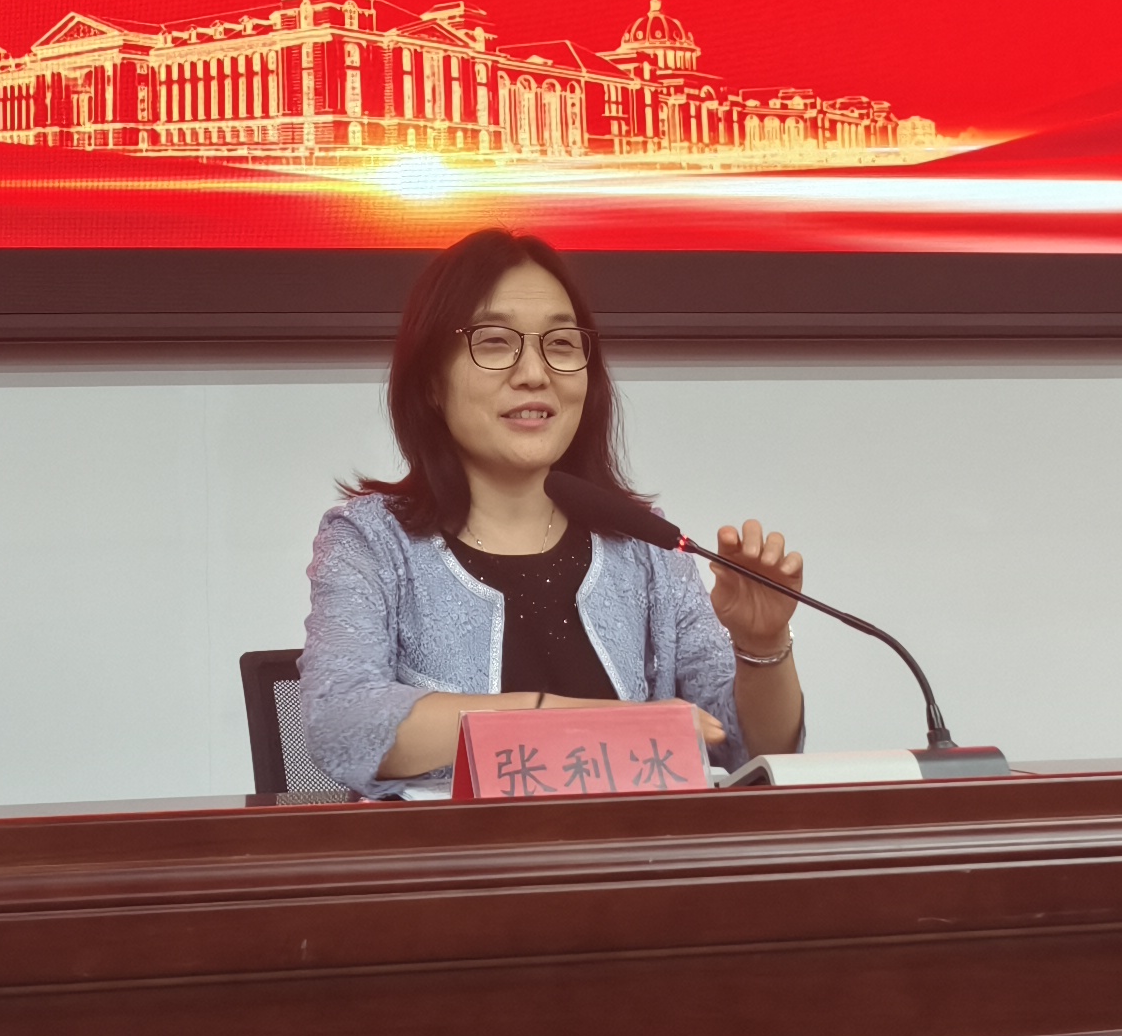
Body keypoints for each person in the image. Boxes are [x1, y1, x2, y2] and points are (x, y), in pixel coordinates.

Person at [297, 227, 809, 797]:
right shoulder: (372, 539)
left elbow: (746, 754)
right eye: (495, 342)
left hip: (633, 852)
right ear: (432, 382)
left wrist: (763, 648)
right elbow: (340, 721)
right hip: (449, 855)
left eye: (561, 344)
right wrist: (565, 718)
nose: (535, 373)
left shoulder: (646, 547)